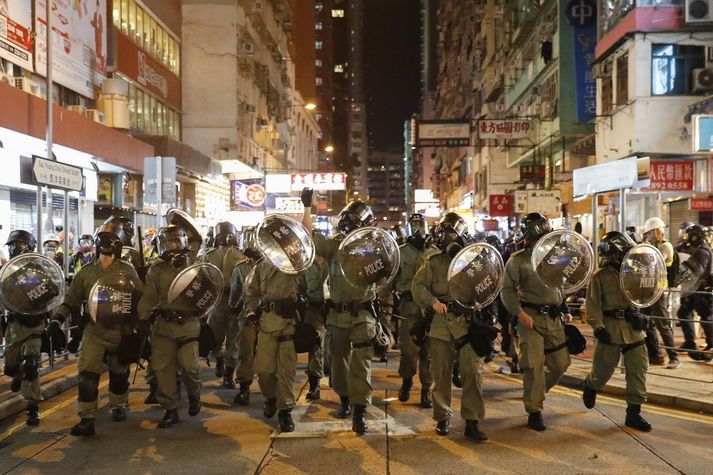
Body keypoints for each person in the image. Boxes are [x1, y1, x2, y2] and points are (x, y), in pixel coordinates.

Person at [53, 221, 143, 436]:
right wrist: (57, 320)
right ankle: (87, 418)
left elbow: (140, 298)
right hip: (94, 330)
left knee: (119, 374)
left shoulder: (128, 271)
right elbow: (72, 300)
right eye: (102, 239)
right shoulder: (85, 273)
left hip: (120, 330)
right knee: (87, 376)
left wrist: (140, 324)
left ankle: (119, 405)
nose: (105, 245)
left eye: (110, 241)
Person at [301, 189, 378, 435]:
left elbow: (389, 270)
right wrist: (307, 208)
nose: (349, 222)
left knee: (361, 362)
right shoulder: (335, 246)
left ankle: (359, 410)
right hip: (336, 314)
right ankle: (345, 398)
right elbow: (309, 238)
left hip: (363, 315)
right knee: (338, 363)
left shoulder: (375, 247)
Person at [412, 213, 488, 441]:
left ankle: (472, 421)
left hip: (467, 324)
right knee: (441, 373)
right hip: (441, 324)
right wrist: (433, 302)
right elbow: (418, 287)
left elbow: (488, 286)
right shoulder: (433, 261)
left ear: (462, 234)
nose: (446, 236)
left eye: (451, 231)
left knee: (473, 372)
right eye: (443, 231)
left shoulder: (475, 258)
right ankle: (443, 417)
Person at [501, 213, 571, 431]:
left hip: (554, 317)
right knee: (533, 365)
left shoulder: (555, 256)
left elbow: (560, 284)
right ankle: (534, 410)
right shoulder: (518, 259)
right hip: (529, 318)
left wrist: (565, 309)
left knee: (561, 363)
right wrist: (520, 314)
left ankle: (536, 392)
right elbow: (507, 291)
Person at [583, 232, 652, 431]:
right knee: (603, 371)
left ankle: (634, 413)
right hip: (610, 329)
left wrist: (642, 314)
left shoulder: (635, 272)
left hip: (633, 329)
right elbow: (592, 305)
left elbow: (645, 296)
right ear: (614, 254)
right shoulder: (600, 277)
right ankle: (591, 385)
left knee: (638, 370)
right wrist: (598, 327)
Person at [137, 224, 203, 428]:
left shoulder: (195, 265)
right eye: (166, 243)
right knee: (163, 369)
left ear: (183, 242)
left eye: (174, 241)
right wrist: (143, 318)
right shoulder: (156, 269)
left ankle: (194, 394)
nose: (170, 246)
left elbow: (207, 292)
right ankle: (170, 409)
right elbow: (149, 296)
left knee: (190, 367)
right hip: (163, 326)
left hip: (188, 324)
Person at [244, 253, 303, 432]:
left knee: (286, 370)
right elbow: (252, 292)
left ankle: (285, 411)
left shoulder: (297, 262)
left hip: (288, 323)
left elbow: (310, 283)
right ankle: (270, 397)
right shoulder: (262, 265)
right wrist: (251, 312)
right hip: (267, 322)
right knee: (264, 370)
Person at [2, 231, 49, 426]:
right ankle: (18, 374)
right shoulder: (6, 271)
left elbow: (51, 293)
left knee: (31, 365)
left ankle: (32, 407)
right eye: (12, 245)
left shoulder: (39, 269)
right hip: (15, 325)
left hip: (35, 323)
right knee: (11, 367)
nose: (15, 248)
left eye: (19, 244)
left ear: (29, 246)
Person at [394, 213, 432, 408]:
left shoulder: (433, 253)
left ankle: (426, 390)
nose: (418, 230)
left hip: (430, 310)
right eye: (414, 226)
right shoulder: (400, 252)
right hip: (408, 310)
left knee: (429, 351)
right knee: (408, 350)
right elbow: (390, 279)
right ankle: (407, 381)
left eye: (421, 226)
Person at [200, 221, 244, 384]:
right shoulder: (209, 255)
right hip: (216, 302)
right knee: (215, 337)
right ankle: (219, 360)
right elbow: (202, 276)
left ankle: (229, 373)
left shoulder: (240, 255)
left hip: (235, 302)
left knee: (234, 340)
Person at [641, 217, 680, 369]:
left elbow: (655, 262)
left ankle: (674, 357)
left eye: (650, 232)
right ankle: (656, 355)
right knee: (646, 322)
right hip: (646, 289)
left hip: (659, 291)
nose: (648, 235)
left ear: (658, 231)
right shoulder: (650, 245)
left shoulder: (666, 246)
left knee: (662, 324)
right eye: (647, 233)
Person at [231, 231, 262, 405]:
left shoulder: (273, 266)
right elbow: (235, 293)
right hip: (248, 314)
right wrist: (234, 307)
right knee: (245, 349)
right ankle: (244, 386)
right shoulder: (240, 268)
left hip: (267, 313)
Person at [677, 224, 713, 360]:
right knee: (683, 313)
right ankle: (690, 343)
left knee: (706, 316)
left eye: (693, 235)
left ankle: (711, 343)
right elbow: (678, 253)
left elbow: (698, 271)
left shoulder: (704, 251)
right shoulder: (691, 248)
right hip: (692, 289)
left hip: (703, 289)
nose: (691, 238)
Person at [300, 255, 329, 401]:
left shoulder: (335, 262)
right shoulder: (307, 266)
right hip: (314, 310)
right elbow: (301, 288)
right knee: (315, 344)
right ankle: (314, 384)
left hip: (334, 311)